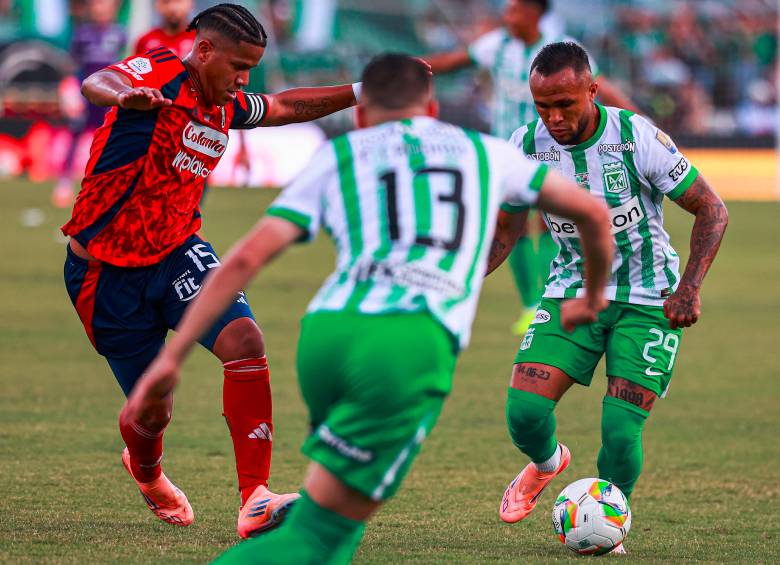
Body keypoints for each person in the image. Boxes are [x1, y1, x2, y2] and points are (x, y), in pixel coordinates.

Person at [123, 53, 614, 564]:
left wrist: (172, 356)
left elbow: (246, 257)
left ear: (360, 114)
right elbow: (592, 213)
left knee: (336, 526)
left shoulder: (342, 153)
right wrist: (594, 296)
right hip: (406, 344)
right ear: (432, 106)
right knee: (316, 536)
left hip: (326, 336)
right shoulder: (484, 151)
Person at [61, 3, 361, 538]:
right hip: (104, 274)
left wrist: (363, 90)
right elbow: (97, 81)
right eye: (238, 68)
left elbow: (286, 106)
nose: (244, 81)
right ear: (203, 51)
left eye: (251, 70)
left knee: (245, 339)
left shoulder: (224, 104)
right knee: (152, 412)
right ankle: (147, 472)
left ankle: (256, 497)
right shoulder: (162, 73)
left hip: (177, 252)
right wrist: (125, 96)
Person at [487, 42, 728, 554]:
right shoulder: (525, 145)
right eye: (542, 106)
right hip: (572, 288)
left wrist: (689, 288)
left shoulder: (635, 137)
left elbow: (712, 209)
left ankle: (608, 525)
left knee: (620, 431)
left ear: (592, 90)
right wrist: (461, 282)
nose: (552, 117)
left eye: (565, 105)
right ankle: (548, 464)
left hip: (650, 298)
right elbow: (506, 230)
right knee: (524, 413)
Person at [426, 0, 638, 335]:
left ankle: (552, 294)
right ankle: (531, 303)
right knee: (515, 225)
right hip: (510, 150)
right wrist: (412, 69)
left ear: (535, 13)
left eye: (515, 10)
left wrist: (636, 119)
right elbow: (453, 62)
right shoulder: (496, 45)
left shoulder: (560, 50)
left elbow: (599, 85)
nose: (508, 16)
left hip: (557, 149)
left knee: (551, 220)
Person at [51, 0, 125, 208]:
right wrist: (69, 90)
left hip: (109, 95)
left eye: (106, 5)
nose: (101, 9)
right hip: (86, 94)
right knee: (75, 135)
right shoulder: (82, 34)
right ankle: (64, 182)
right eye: (98, 4)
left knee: (111, 138)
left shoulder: (120, 33)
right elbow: (71, 66)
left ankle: (109, 184)